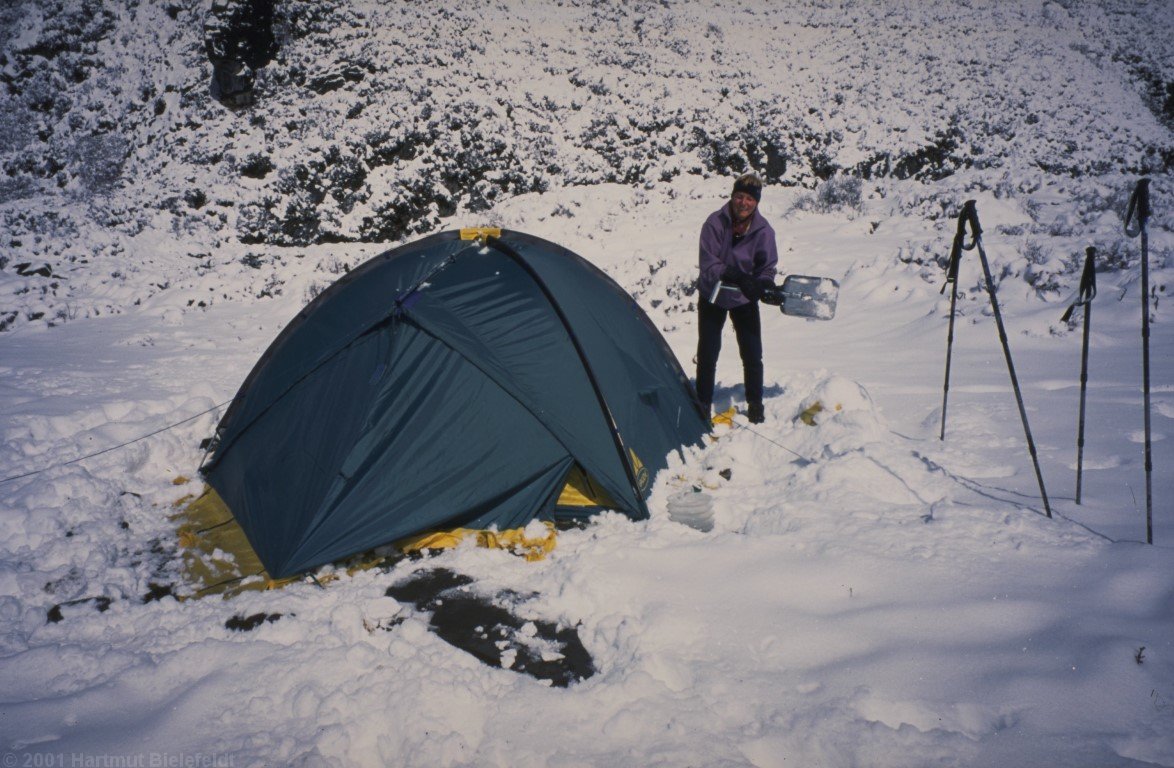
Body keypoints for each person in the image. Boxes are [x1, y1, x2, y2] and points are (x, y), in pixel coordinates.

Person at [695, 173, 778, 424]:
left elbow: (768, 266)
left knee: (752, 353)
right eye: (739, 196)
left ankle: (755, 403)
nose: (743, 203)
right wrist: (736, 276)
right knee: (708, 352)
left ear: (757, 202)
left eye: (749, 199)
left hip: (743, 298)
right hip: (714, 294)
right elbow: (708, 264)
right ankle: (702, 403)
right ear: (732, 197)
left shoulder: (764, 231)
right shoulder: (714, 223)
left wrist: (763, 284)